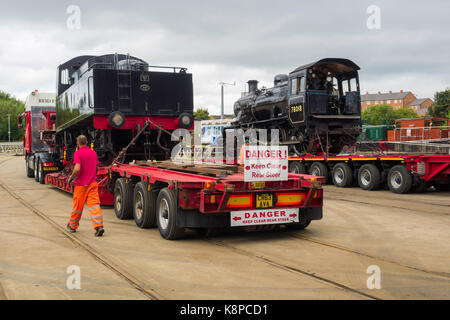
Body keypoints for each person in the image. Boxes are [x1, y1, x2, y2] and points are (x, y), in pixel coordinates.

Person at [66, 135, 105, 237]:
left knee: (77, 207)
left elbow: (77, 168)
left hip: (81, 185)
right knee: (94, 205)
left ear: (77, 144)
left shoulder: (77, 153)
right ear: (87, 143)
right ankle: (98, 226)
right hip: (92, 183)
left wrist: (71, 177)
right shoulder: (93, 153)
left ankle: (72, 226)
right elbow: (96, 168)